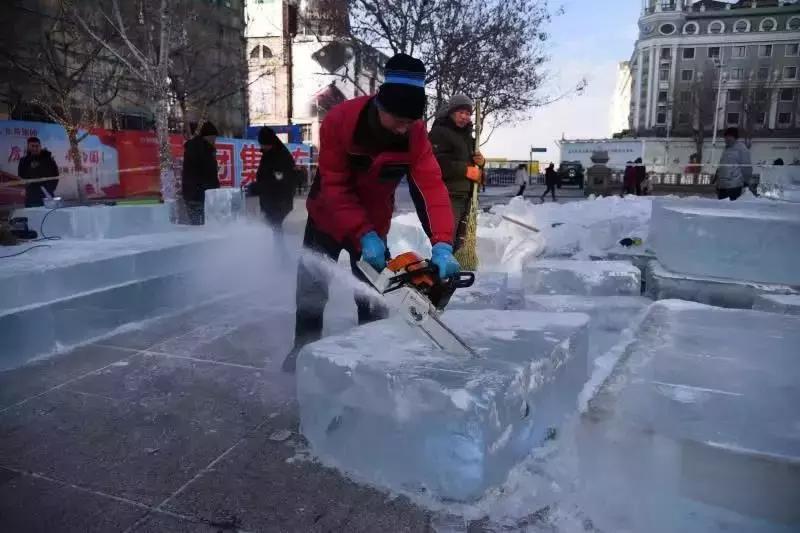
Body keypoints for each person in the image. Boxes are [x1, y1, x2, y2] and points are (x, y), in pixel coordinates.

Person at [283, 53, 458, 372]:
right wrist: (362, 233)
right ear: (381, 105)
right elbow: (335, 186)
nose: (404, 129)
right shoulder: (340, 122)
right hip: (327, 218)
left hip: (375, 225)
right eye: (399, 121)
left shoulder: (416, 134)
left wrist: (443, 243)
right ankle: (301, 351)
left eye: (410, 122)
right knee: (312, 289)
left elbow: (431, 188)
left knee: (374, 296)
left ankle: (374, 358)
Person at [428, 94, 484, 252]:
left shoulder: (467, 137)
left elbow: (475, 165)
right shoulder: (440, 133)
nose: (465, 117)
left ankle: (456, 271)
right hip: (449, 195)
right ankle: (442, 271)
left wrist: (481, 163)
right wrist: (465, 170)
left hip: (467, 196)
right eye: (461, 113)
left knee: (462, 241)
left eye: (468, 114)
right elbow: (437, 163)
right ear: (451, 112)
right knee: (447, 239)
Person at [254, 126, 296, 231]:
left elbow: (281, 180)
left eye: (263, 143)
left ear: (269, 142)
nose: (261, 146)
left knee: (275, 229)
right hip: (269, 201)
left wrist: (259, 187)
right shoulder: (268, 153)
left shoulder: (282, 156)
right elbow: (265, 175)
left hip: (279, 202)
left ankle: (278, 247)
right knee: (270, 229)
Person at [181, 122, 220, 224]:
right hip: (199, 195)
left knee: (197, 225)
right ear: (209, 136)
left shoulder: (196, 147)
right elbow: (207, 173)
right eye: (214, 138)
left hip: (193, 193)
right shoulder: (203, 149)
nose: (215, 141)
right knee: (201, 226)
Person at [18, 137, 59, 207]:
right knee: (32, 216)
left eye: (37, 146)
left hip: (47, 195)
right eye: (32, 146)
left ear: (40, 146)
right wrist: (26, 189)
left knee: (49, 215)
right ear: (28, 147)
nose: (35, 148)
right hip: (31, 197)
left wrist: (49, 189)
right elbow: (21, 176)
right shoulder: (23, 161)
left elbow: (56, 176)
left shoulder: (48, 160)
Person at [713, 127, 751, 201]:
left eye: (729, 137)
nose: (726, 139)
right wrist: (716, 177)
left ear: (734, 137)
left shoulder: (742, 149)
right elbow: (722, 165)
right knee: (722, 209)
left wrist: (746, 181)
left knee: (731, 209)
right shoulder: (725, 149)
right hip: (722, 185)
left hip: (734, 185)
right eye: (725, 137)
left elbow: (746, 166)